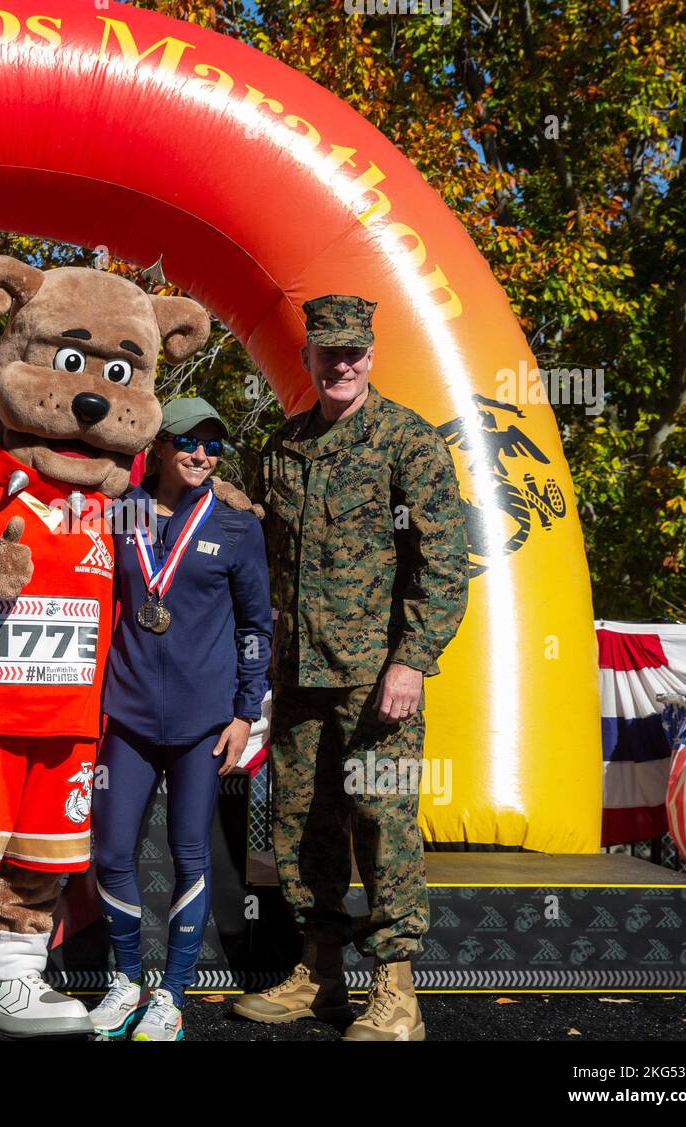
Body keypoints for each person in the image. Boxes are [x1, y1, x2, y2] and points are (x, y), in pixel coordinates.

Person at [233, 295, 469, 1041]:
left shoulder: (409, 442)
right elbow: (262, 550)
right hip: (299, 674)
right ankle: (320, 972)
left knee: (383, 821)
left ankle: (397, 993)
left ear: (371, 355)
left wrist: (412, 662)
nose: (341, 364)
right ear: (306, 360)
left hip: (376, 680)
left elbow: (442, 565)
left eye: (353, 352)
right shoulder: (283, 444)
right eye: (327, 353)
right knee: (303, 825)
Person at [87, 397, 272, 1041]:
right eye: (190, 443)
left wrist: (247, 713)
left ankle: (171, 995)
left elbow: (256, 626)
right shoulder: (122, 514)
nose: (202, 455)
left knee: (189, 854)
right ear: (160, 446)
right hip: (128, 718)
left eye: (214, 446)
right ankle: (125, 980)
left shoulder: (238, 526)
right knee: (111, 851)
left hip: (205, 723)